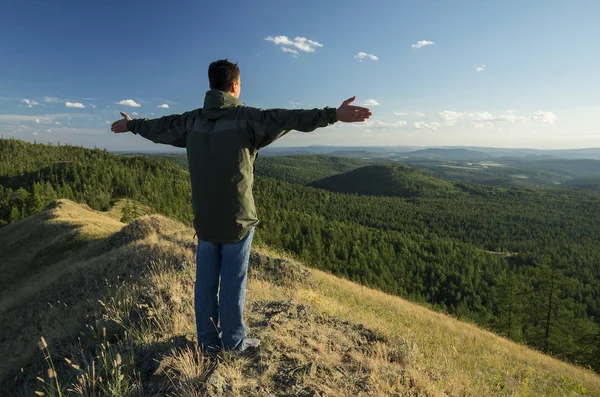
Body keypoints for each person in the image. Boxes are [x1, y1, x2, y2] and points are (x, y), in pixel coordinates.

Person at [111, 59, 371, 354]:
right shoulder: (246, 119)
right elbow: (287, 117)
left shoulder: (191, 122)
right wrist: (333, 114)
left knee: (205, 284)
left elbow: (159, 127)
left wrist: (131, 125)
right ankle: (233, 344)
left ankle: (207, 343)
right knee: (233, 283)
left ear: (211, 86)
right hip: (237, 219)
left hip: (205, 220)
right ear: (235, 86)